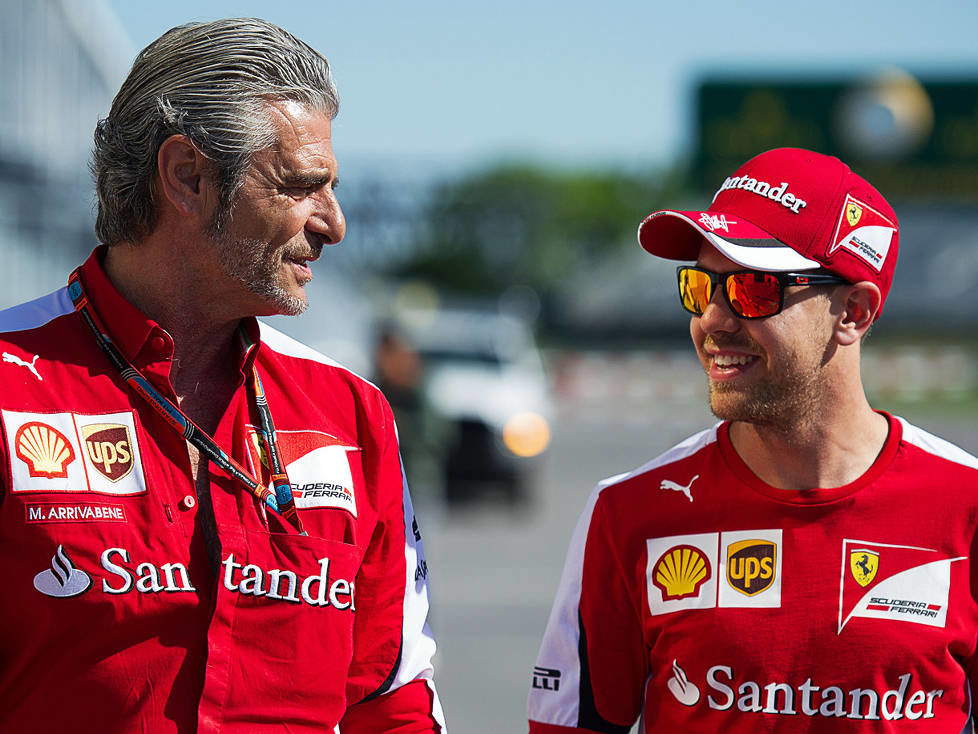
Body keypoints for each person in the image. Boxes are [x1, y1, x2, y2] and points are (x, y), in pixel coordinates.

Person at [0, 18, 445, 733]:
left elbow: (390, 703)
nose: (333, 223)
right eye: (302, 186)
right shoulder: (10, 383)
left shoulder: (351, 410)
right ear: (188, 176)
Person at [528, 147, 978, 732]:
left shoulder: (965, 504)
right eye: (699, 286)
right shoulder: (628, 511)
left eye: (753, 288)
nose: (712, 318)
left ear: (854, 312)